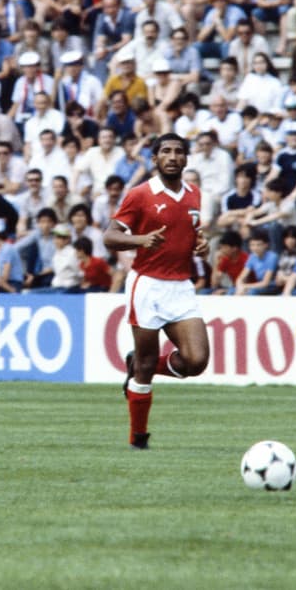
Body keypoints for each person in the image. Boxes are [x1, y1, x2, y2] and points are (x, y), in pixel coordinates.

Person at [104, 133, 209, 451]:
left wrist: (200, 243)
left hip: (181, 286)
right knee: (147, 366)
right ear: (155, 159)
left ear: (186, 159)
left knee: (197, 361)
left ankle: (137, 364)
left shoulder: (194, 194)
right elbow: (110, 236)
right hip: (147, 285)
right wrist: (139, 240)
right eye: (166, 151)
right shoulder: (140, 194)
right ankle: (138, 438)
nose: (173, 156)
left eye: (179, 152)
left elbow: (190, 232)